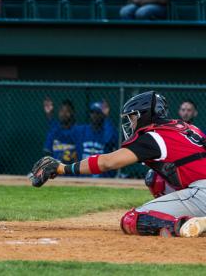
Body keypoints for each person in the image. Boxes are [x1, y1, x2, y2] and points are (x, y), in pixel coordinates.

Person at [30, 91, 206, 238]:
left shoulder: (153, 136)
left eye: (132, 118)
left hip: (202, 192)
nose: (130, 123)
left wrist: (63, 168)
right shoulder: (186, 127)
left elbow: (107, 162)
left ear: (143, 115)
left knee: (132, 219)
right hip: (198, 187)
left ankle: (183, 224)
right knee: (154, 178)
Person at [76, 101, 118, 177]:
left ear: (103, 115)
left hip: (102, 174)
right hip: (84, 173)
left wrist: (107, 118)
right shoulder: (82, 130)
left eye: (98, 113)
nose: (95, 115)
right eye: (93, 112)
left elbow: (109, 139)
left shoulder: (107, 131)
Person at [43, 98, 79, 165]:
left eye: (67, 111)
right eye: (61, 111)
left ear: (73, 113)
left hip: (71, 171)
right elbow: (47, 153)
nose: (64, 114)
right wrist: (49, 114)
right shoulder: (54, 130)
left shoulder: (78, 131)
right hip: (55, 171)